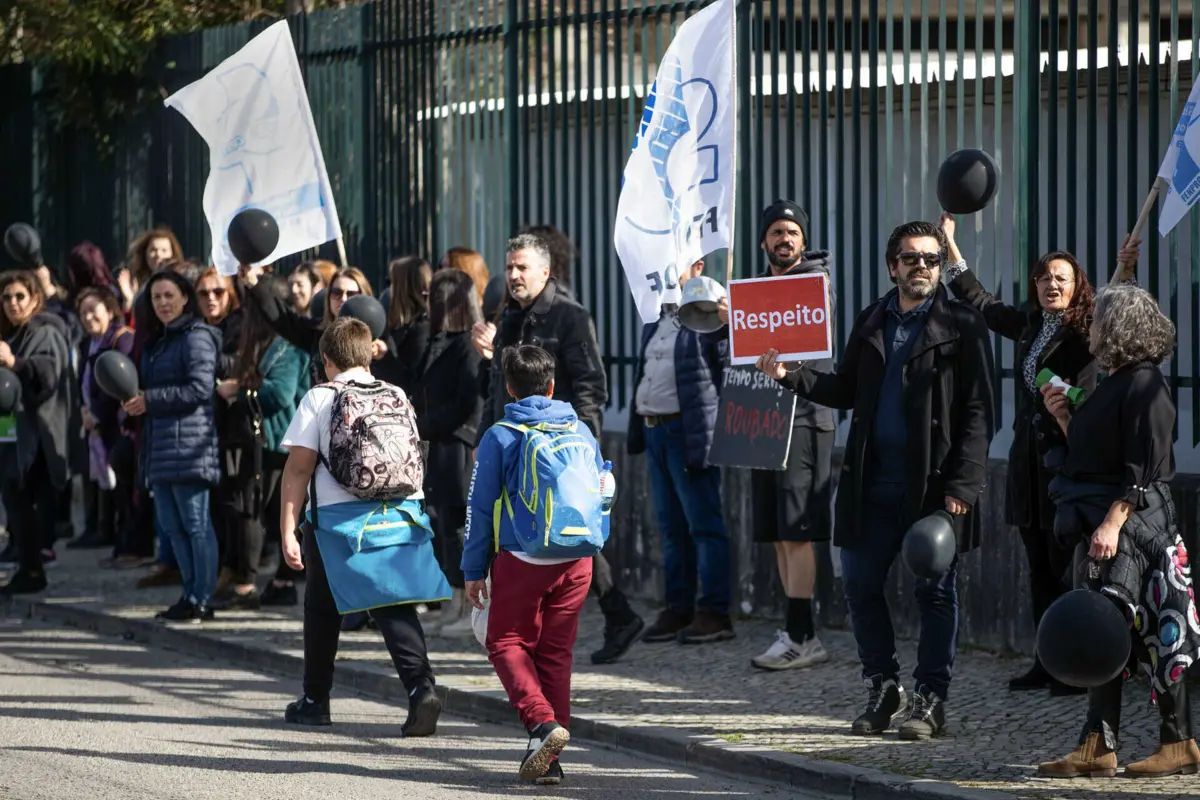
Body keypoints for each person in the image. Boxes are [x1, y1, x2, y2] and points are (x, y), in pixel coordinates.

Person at [757, 220, 995, 739]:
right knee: (861, 585)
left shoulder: (963, 324)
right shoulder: (871, 320)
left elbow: (979, 412)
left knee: (934, 592)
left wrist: (964, 487)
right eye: (911, 258)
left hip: (933, 489)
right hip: (870, 482)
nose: (922, 267)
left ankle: (931, 698)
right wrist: (789, 376)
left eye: (931, 259)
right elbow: (845, 388)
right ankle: (884, 687)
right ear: (893, 266)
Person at [1037, 280, 1200, 779]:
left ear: (1120, 327)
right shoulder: (1116, 381)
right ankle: (1099, 745)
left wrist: (1111, 523)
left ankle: (1178, 743)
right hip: (1112, 522)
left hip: (1135, 525)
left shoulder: (1145, 384)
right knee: (1103, 628)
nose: (1092, 327)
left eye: (1100, 320)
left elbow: (1143, 464)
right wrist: (1064, 418)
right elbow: (1095, 455)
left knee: (1156, 630)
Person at [941, 214, 1098, 694]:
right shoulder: (1031, 325)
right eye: (1045, 277)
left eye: (1061, 278)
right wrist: (949, 244)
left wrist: (1065, 398)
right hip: (1026, 464)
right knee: (1036, 566)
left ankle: (1078, 665)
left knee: (1064, 563)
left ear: (1077, 287)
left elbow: (1089, 396)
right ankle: (1046, 659)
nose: (1051, 284)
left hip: (1065, 463)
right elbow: (983, 303)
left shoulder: (1087, 334)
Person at [470, 233, 643, 665]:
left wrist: (580, 444)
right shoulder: (508, 316)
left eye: (522, 267)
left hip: (559, 452)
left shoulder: (569, 316)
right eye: (509, 267)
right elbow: (497, 387)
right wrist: (487, 363)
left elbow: (591, 383)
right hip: (511, 444)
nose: (513, 275)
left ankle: (611, 616)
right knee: (530, 535)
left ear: (545, 272)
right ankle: (595, 618)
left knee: (564, 532)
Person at [277, 316, 447, 735]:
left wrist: (287, 528)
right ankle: (420, 687)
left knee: (320, 609)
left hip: (338, 521)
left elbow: (298, 470)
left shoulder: (321, 397)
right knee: (392, 603)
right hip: (401, 512)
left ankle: (316, 700)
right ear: (370, 354)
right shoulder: (396, 393)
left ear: (327, 359)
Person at [463, 344, 608, 786]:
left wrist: (472, 569)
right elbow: (604, 486)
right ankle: (551, 760)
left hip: (523, 557)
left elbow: (480, 507)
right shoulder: (580, 429)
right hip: (578, 558)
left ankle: (543, 725)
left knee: (504, 641)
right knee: (555, 656)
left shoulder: (501, 434)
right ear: (551, 385)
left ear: (509, 388)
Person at [748, 200, 837, 671]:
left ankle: (804, 635)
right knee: (779, 534)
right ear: (763, 241)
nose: (785, 239)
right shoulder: (757, 289)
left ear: (803, 240)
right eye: (776, 232)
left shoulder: (815, 283)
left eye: (792, 232)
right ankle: (794, 628)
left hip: (805, 419)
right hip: (764, 418)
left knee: (798, 531)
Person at [628, 258, 735, 645]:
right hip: (655, 429)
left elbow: (725, 364)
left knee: (704, 525)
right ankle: (679, 607)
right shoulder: (656, 313)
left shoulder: (710, 308)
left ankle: (715, 611)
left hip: (687, 432)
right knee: (671, 527)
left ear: (697, 265)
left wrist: (726, 324)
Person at [122, 271, 221, 623]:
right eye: (156, 297)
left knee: (196, 525)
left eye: (169, 295)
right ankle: (189, 593)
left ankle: (203, 600)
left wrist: (151, 400)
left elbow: (200, 389)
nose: (163, 303)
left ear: (184, 298)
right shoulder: (158, 340)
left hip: (191, 447)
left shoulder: (197, 337)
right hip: (161, 448)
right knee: (172, 528)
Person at [212, 275, 309, 610]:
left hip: (276, 443)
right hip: (258, 441)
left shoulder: (287, 345)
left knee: (254, 511)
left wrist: (238, 390)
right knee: (247, 509)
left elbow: (281, 394)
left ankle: (247, 583)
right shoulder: (261, 341)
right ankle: (241, 574)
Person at [412, 269, 483, 636]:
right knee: (446, 527)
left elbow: (466, 401)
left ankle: (470, 608)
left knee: (460, 528)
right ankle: (455, 600)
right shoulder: (443, 340)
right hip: (443, 444)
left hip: (459, 444)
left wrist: (424, 424)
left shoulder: (466, 346)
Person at [0, 272, 74, 594]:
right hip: (9, 432)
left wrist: (14, 363)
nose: (13, 304)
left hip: (38, 435)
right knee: (13, 502)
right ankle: (26, 565)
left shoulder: (44, 331)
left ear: (34, 298)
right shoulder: (10, 333)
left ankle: (33, 569)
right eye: (6, 298)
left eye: (19, 296)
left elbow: (46, 377)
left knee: (27, 502)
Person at [76, 289, 138, 563]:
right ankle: (116, 541)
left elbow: (116, 384)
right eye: (83, 313)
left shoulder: (121, 338)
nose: (89, 317)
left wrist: (97, 415)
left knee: (126, 488)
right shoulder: (88, 343)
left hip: (119, 423)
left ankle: (129, 545)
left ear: (110, 310)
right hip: (97, 425)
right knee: (110, 487)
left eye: (94, 310)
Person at [375, 256, 431, 394]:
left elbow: (413, 381)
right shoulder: (400, 323)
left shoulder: (422, 329)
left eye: (391, 282)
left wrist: (385, 356)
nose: (388, 289)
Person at [119, 228, 183, 316]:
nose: (158, 255)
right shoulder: (137, 282)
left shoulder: (181, 280)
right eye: (153, 250)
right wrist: (129, 299)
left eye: (164, 250)